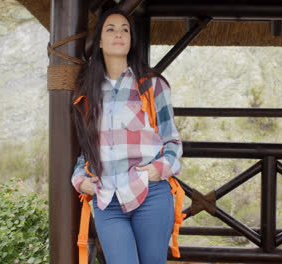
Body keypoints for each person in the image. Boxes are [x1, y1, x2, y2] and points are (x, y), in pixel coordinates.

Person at [70, 8, 183, 264]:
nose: (118, 34)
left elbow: (172, 142)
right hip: (106, 199)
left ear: (131, 40)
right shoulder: (86, 91)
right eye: (110, 29)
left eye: (124, 29)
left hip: (150, 194)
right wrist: (79, 179)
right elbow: (85, 151)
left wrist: (157, 170)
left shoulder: (152, 85)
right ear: (99, 41)